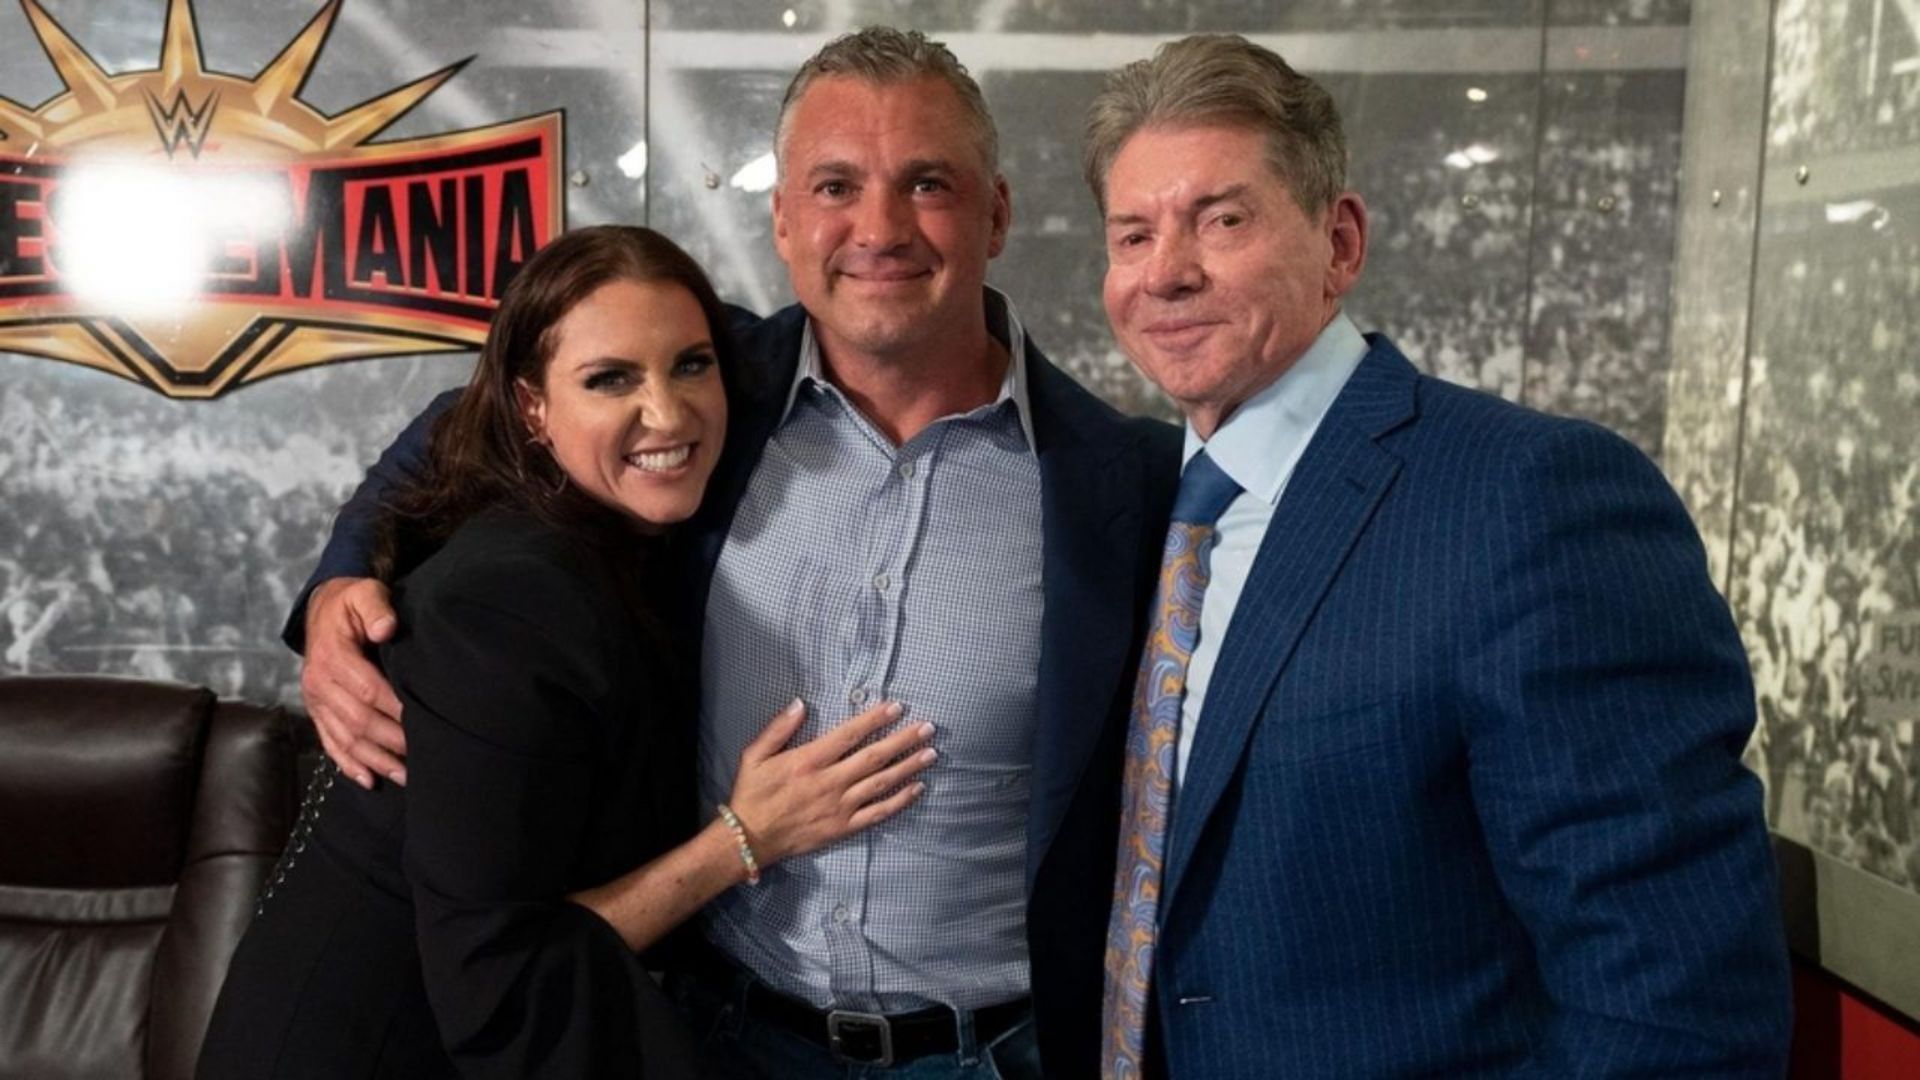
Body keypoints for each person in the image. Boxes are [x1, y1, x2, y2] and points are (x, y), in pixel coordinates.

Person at [280, 29, 1179, 1080]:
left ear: (997, 214)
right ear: (785, 221)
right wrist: (341, 579)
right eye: (837, 185)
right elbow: (465, 420)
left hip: (995, 1053)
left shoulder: (1123, 483)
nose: (879, 228)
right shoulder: (707, 396)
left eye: (927, 182)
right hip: (716, 1036)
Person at [1082, 35, 1792, 1078]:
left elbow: (1669, 991)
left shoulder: (1532, 497)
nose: (1167, 273)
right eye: (1132, 234)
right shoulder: (1145, 503)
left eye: (1221, 220)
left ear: (1341, 241)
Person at [199, 226, 935, 1079]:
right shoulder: (509, 599)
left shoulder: (683, 437)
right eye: (609, 379)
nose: (665, 410)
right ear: (532, 410)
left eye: (691, 367)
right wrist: (745, 837)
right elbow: (501, 968)